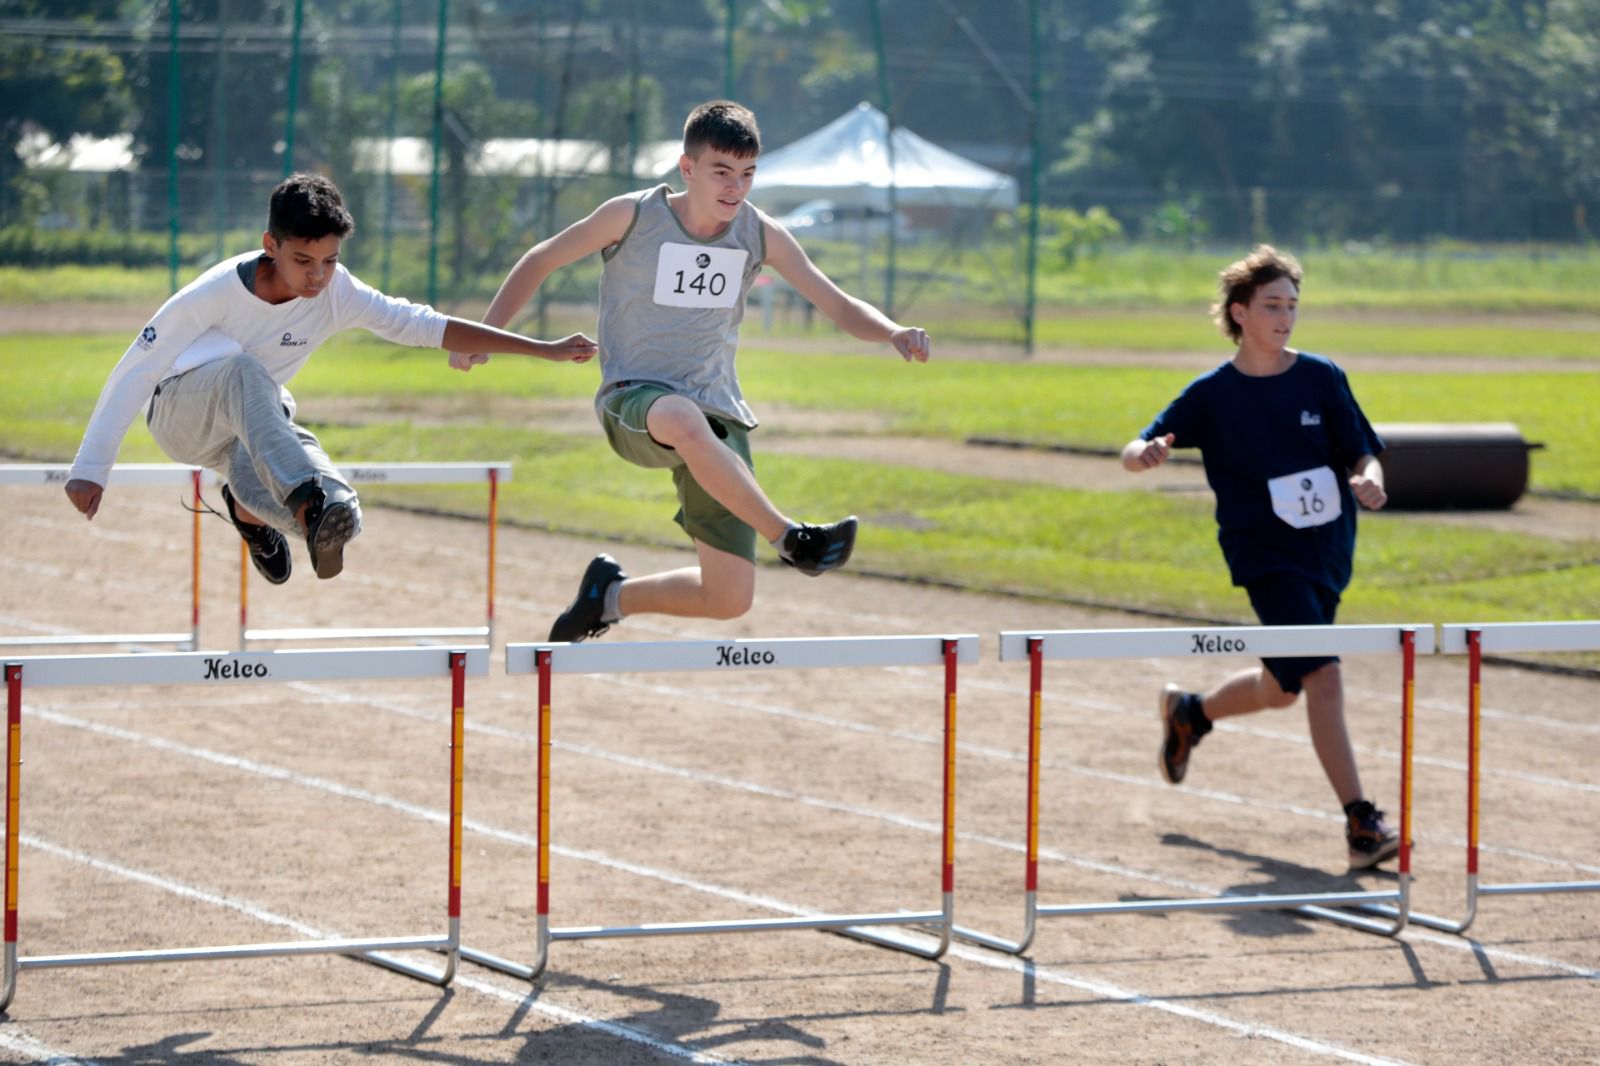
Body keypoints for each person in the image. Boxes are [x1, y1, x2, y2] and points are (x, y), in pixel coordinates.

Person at [454, 100, 930, 642]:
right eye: (721, 172)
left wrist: (892, 330)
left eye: (747, 174)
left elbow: (838, 303)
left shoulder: (759, 233)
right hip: (635, 400)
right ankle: (792, 539)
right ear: (688, 169)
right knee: (679, 414)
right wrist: (483, 335)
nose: (735, 187)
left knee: (727, 598)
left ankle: (609, 595)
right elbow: (541, 258)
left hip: (717, 416)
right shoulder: (631, 216)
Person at [64, 172, 595, 582]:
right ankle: (301, 497)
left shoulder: (338, 291)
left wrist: (540, 349)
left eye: (329, 261)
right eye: (303, 261)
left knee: (340, 512)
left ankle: (255, 512)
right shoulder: (214, 294)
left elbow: (424, 325)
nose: (317, 277)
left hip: (251, 434)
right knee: (246, 376)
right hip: (182, 413)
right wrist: (92, 466)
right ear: (270, 245)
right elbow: (140, 366)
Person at [1120, 245, 1400, 871]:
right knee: (1323, 675)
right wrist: (1141, 456)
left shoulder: (1322, 377)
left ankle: (1191, 713)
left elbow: (1361, 450)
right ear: (1240, 313)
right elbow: (1139, 442)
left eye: (1293, 306)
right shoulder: (1213, 393)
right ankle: (1361, 825)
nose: (1285, 317)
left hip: (1327, 548)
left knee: (1284, 687)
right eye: (1272, 305)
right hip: (1263, 554)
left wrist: (1369, 478)